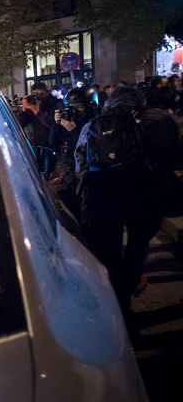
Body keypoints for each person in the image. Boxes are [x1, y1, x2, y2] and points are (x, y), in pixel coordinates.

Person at [73, 87, 162, 335]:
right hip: (139, 194)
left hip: (101, 196)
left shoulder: (93, 125)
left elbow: (80, 158)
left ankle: (116, 312)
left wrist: (87, 183)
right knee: (136, 249)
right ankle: (129, 288)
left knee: (107, 255)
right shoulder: (148, 123)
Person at [48, 87, 95, 219]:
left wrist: (73, 131)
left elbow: (87, 150)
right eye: (71, 107)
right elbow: (53, 144)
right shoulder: (69, 121)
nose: (75, 111)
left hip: (86, 177)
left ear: (89, 106)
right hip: (68, 173)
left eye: (79, 107)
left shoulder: (94, 124)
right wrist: (56, 124)